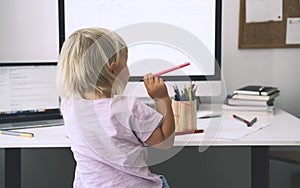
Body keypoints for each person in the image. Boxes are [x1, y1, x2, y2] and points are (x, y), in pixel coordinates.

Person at [56, 27, 175, 188]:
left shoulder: (69, 108)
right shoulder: (128, 108)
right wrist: (162, 98)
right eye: (125, 64)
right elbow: (165, 142)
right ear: (113, 70)